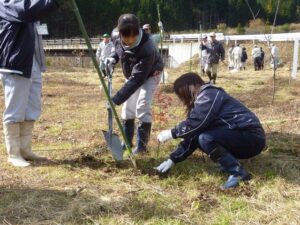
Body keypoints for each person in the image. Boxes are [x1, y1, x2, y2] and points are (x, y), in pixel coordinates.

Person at [155, 73, 265, 189]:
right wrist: (172, 159)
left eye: (182, 95)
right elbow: (193, 134)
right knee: (201, 137)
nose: (183, 100)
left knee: (205, 138)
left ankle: (238, 173)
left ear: (189, 88)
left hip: (251, 136)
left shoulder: (209, 95)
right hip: (242, 135)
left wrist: (172, 133)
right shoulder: (204, 99)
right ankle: (228, 164)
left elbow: (197, 123)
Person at [0, 0, 59, 167]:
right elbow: (27, 11)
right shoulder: (7, 2)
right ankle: (14, 153)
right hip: (15, 63)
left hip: (31, 61)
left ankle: (25, 149)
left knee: (32, 106)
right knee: (15, 108)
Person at [104, 14, 164, 154]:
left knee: (142, 105)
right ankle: (127, 142)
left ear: (139, 31)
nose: (130, 40)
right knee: (128, 108)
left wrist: (116, 99)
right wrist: (112, 58)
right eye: (126, 37)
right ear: (120, 33)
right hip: (132, 74)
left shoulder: (147, 47)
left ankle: (142, 148)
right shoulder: (115, 35)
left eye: (134, 36)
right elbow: (117, 48)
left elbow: (137, 79)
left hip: (150, 74)